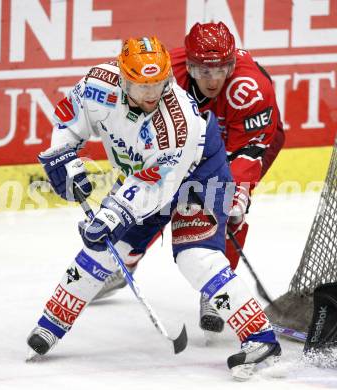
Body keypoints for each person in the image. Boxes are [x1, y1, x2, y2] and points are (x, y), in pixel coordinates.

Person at [27, 36, 281, 380]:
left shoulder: (178, 124)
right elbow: (68, 124)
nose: (152, 94)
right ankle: (51, 323)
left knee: (195, 257)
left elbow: (156, 187)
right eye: (141, 85)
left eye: (160, 84)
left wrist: (112, 214)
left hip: (201, 170)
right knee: (103, 249)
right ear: (121, 76)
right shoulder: (97, 84)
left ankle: (260, 337)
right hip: (142, 174)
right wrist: (64, 157)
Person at [95, 22, 285, 335]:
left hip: (246, 141)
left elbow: (248, 151)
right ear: (190, 65)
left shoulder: (250, 90)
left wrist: (238, 193)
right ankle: (122, 261)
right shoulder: (165, 79)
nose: (213, 79)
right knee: (156, 195)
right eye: (204, 70)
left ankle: (216, 290)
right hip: (189, 141)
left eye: (221, 69)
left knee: (226, 209)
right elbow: (149, 139)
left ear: (233, 64)